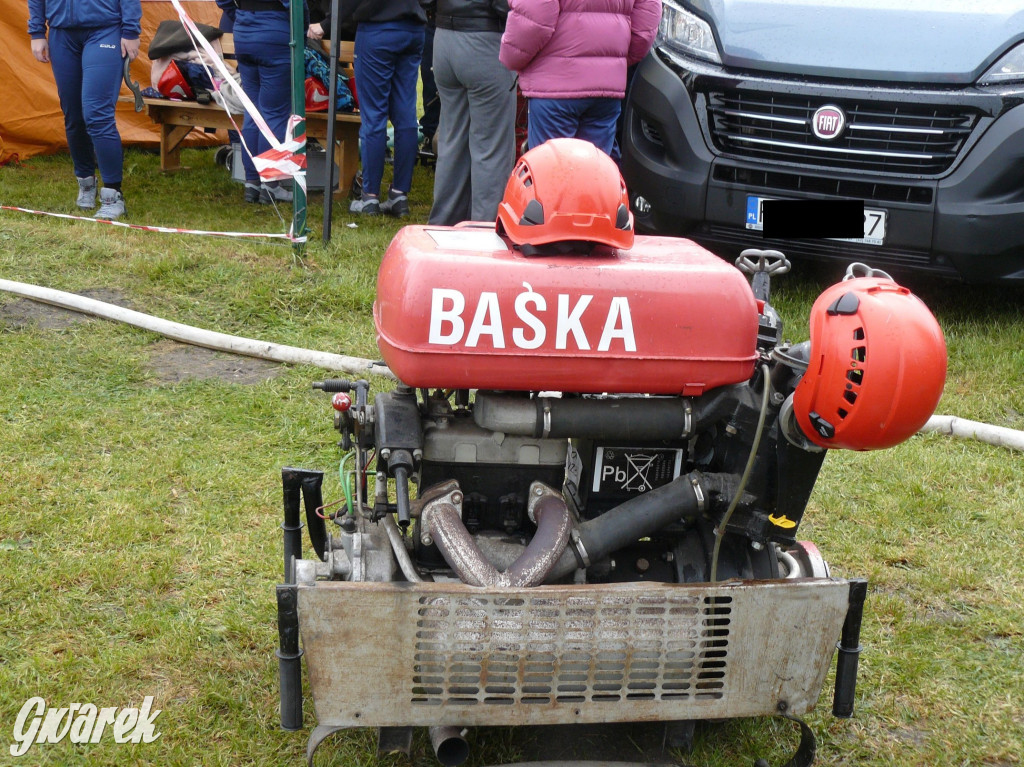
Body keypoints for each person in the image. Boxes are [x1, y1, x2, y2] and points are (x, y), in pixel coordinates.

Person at [499, 0, 660, 157]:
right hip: (605, 90)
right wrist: (614, 61)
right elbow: (645, 26)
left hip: (555, 87)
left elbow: (534, 15)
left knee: (551, 173)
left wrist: (510, 57)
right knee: (596, 172)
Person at [28, 0, 142, 221]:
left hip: (105, 30)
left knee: (97, 114)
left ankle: (112, 195)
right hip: (61, 33)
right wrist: (37, 31)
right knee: (74, 114)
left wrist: (130, 30)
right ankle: (86, 182)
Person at [427, 0, 516, 226]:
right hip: (484, 40)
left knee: (452, 142)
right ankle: (485, 234)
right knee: (491, 149)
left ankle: (443, 228)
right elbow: (505, 5)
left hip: (444, 39)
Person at [215, 0, 305, 205]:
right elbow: (298, 5)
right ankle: (270, 185)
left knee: (253, 112)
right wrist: (302, 28)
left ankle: (253, 182)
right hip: (275, 32)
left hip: (244, 31)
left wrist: (242, 14)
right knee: (273, 114)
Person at [342, 0, 425, 217]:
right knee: (406, 115)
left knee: (374, 117)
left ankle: (369, 197)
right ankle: (399, 194)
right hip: (413, 28)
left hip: (377, 29)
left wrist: (325, 23)